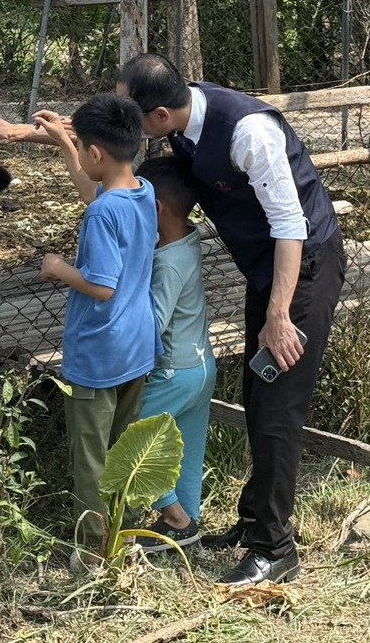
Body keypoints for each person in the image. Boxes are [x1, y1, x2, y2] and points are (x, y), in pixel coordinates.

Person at [114, 53, 346, 586]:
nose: (129, 129)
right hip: (267, 271)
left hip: (302, 266)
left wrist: (280, 316)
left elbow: (292, 227)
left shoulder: (248, 132)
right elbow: (104, 141)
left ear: (161, 117)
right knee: (257, 393)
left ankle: (274, 549)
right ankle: (253, 522)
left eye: (133, 118)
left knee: (277, 405)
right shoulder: (182, 113)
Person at [32, 94, 160, 570]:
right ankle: (122, 537)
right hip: (135, 348)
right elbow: (94, 191)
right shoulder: (141, 192)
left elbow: (101, 286)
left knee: (90, 459)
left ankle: (91, 552)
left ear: (98, 154)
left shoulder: (102, 214)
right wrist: (65, 142)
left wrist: (58, 267)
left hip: (97, 354)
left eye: (83, 148)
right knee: (123, 451)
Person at [130, 155, 217, 554]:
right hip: (202, 366)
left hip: (172, 371)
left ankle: (174, 516)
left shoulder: (166, 263)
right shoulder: (187, 242)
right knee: (188, 449)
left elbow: (153, 324)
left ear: (156, 208)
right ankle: (188, 525)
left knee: (129, 437)